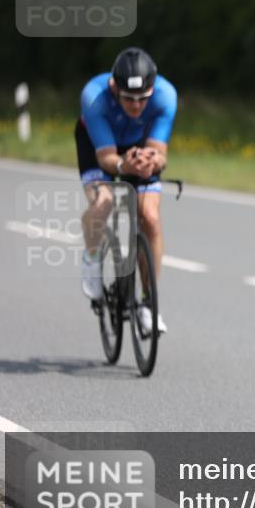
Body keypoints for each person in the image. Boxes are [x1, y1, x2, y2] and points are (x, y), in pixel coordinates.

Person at [77, 47, 177, 335]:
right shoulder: (94, 96)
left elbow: (160, 152)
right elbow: (106, 158)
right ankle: (92, 258)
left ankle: (147, 304)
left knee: (150, 217)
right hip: (100, 146)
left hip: (138, 145)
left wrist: (153, 161)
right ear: (114, 87)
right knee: (103, 203)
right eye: (129, 99)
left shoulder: (165, 95)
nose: (136, 106)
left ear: (152, 90)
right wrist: (123, 165)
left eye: (142, 99)